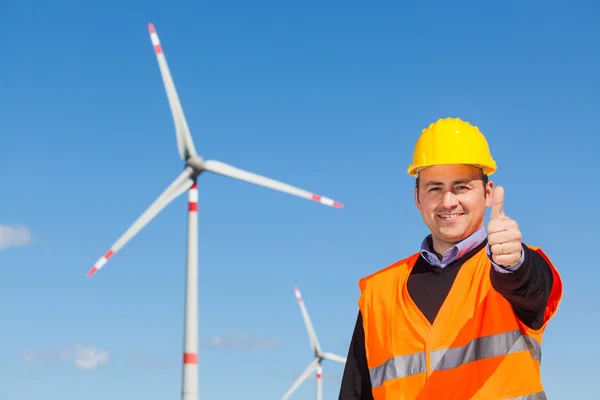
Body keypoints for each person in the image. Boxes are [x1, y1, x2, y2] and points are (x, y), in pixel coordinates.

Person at [337, 117, 563, 400]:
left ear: (488, 193)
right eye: (435, 188)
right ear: (417, 197)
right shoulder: (378, 294)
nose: (447, 201)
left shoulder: (513, 267)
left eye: (461, 187)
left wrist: (513, 263)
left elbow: (531, 286)